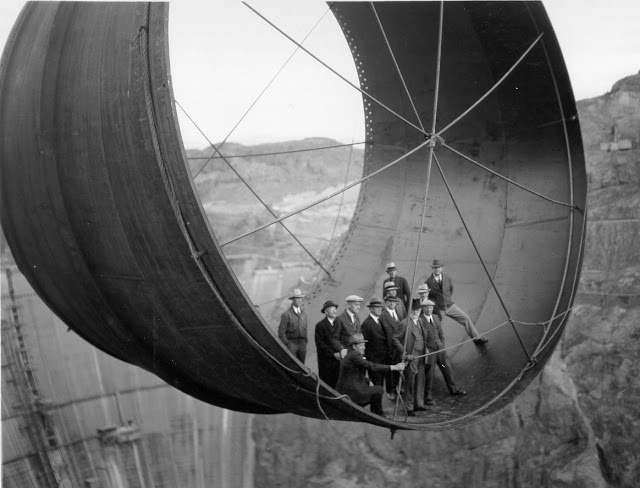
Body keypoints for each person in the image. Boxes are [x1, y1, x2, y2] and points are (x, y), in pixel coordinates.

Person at [336, 333, 406, 417]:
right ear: (354, 346)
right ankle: (377, 413)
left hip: (346, 389)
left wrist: (368, 380)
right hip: (351, 392)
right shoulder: (355, 355)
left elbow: (353, 373)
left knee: (374, 388)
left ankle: (375, 412)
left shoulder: (350, 353)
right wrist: (393, 367)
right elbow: (371, 366)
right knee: (379, 389)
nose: (364, 347)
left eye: (364, 345)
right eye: (361, 345)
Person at [425, 259, 488, 345]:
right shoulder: (428, 282)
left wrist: (447, 299)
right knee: (435, 327)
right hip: (439, 309)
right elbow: (428, 297)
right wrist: (435, 307)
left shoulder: (447, 278)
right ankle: (434, 348)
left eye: (439, 267)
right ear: (432, 269)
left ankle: (477, 338)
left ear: (442, 268)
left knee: (466, 318)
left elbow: (451, 290)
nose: (437, 269)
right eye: (435, 268)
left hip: (450, 306)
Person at [421, 299, 466, 404]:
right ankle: (427, 397)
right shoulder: (420, 320)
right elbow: (420, 337)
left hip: (441, 350)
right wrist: (426, 349)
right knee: (429, 374)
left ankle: (454, 390)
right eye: (426, 307)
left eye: (430, 307)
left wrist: (443, 344)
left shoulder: (436, 317)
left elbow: (441, 333)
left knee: (447, 369)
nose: (429, 309)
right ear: (423, 308)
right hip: (430, 351)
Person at [393, 299, 428, 415]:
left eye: (417, 310)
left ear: (420, 311)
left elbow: (422, 337)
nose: (415, 312)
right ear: (409, 310)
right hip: (411, 357)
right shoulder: (404, 323)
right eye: (413, 310)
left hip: (422, 355)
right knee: (410, 383)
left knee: (420, 381)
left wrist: (425, 348)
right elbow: (395, 338)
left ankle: (419, 404)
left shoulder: (420, 321)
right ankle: (409, 407)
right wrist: (405, 353)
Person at [361, 297, 395, 393]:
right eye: (377, 307)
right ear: (371, 309)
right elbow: (364, 345)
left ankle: (379, 407)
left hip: (385, 359)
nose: (380, 309)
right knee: (377, 386)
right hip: (375, 361)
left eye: (380, 307)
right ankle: (376, 408)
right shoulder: (367, 324)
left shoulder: (380, 320)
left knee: (383, 385)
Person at [314, 300, 342, 388]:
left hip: (338, 359)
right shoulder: (320, 326)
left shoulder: (339, 323)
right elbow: (320, 344)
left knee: (338, 382)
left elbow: (342, 339)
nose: (334, 311)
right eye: (331, 309)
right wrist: (333, 354)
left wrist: (341, 352)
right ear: (326, 312)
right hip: (326, 360)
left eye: (335, 309)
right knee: (326, 384)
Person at [278, 288, 308, 362]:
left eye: (300, 298)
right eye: (297, 298)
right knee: (293, 363)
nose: (299, 300)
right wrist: (288, 344)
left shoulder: (304, 314)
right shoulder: (286, 314)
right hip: (292, 344)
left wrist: (304, 341)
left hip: (302, 344)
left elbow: (305, 328)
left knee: (302, 366)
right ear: (293, 300)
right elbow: (281, 333)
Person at [380, 294, 401, 400]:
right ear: (386, 303)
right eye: (389, 302)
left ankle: (397, 387)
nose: (392, 303)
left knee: (398, 368)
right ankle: (390, 391)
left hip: (398, 347)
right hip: (389, 348)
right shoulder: (383, 315)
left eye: (393, 302)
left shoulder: (397, 313)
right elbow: (385, 333)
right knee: (390, 371)